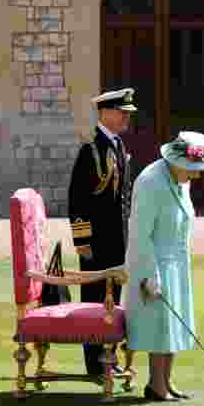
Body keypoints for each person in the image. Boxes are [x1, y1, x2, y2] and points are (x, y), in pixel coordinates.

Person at [123, 131, 204, 402]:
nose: (196, 176)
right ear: (175, 160)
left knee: (175, 324)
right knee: (160, 324)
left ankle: (167, 381)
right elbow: (140, 233)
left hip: (176, 261)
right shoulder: (150, 181)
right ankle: (156, 385)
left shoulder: (180, 178)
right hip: (153, 260)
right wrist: (149, 273)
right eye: (192, 169)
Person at [68, 88, 135, 378]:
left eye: (128, 113)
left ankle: (108, 355)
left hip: (118, 240)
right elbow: (77, 200)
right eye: (122, 112)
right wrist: (82, 241)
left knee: (113, 299)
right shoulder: (91, 150)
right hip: (96, 242)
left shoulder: (118, 146)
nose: (126, 118)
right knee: (95, 300)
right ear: (105, 113)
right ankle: (95, 363)